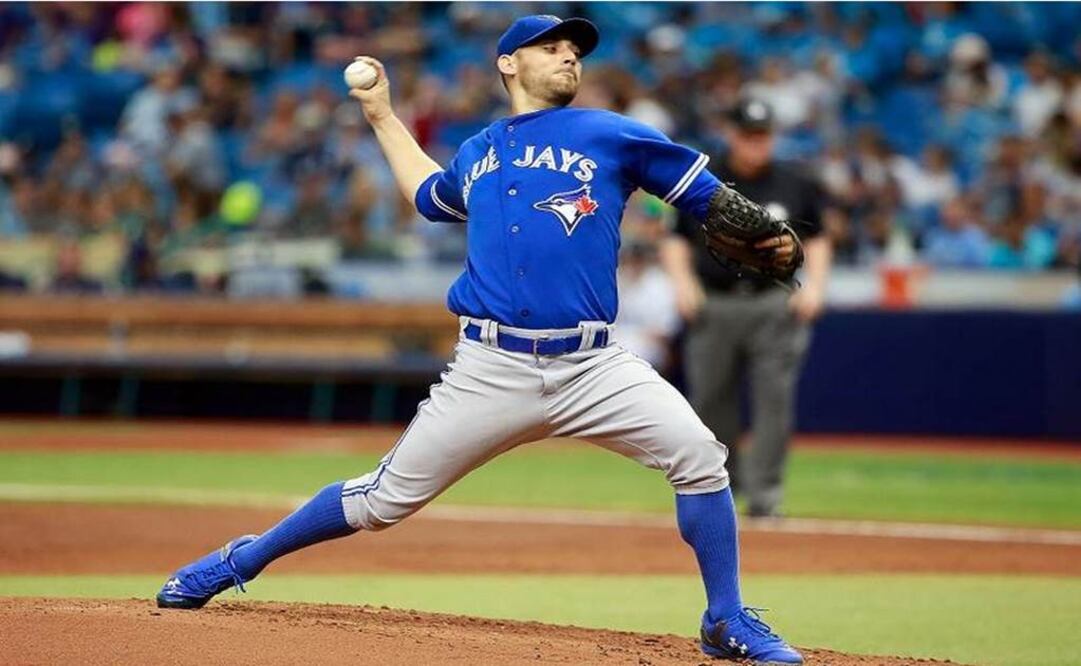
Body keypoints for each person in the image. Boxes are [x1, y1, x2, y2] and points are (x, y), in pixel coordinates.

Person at [155, 16, 803, 664]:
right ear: (507, 64)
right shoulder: (479, 152)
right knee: (381, 502)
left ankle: (724, 619)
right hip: (490, 368)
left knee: (697, 455)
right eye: (550, 48)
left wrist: (748, 223)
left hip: (592, 364)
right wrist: (382, 115)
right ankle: (241, 559)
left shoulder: (611, 133)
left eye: (574, 50)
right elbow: (427, 196)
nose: (568, 57)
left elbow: (712, 201)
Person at [662, 97, 833, 519]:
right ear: (731, 134)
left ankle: (765, 498)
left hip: (773, 302)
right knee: (711, 402)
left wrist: (815, 287)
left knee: (774, 401)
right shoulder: (705, 180)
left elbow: (819, 237)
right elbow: (675, 237)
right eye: (748, 136)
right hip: (714, 302)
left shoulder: (795, 183)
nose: (756, 144)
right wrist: (683, 284)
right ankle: (721, 490)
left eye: (763, 136)